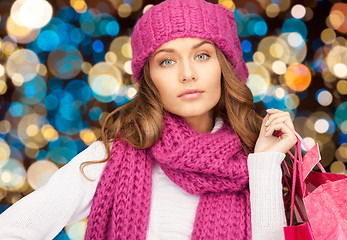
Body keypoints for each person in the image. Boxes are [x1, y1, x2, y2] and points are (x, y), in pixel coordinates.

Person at [0, 0, 297, 239]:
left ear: (225, 65)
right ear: (150, 78)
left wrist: (264, 164)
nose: (187, 73)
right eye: (167, 61)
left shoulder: (255, 159)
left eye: (202, 56)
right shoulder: (114, 154)